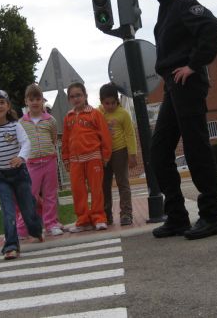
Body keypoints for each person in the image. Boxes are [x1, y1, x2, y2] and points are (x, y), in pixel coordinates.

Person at [145, 0, 217, 240]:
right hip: (173, 87)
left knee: (196, 148)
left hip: (188, 84)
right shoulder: (165, 10)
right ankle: (177, 216)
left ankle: (212, 217)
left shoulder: (182, 4)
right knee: (159, 151)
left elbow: (212, 27)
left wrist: (193, 64)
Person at [0, 89, 43, 260]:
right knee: (8, 211)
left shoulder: (16, 126)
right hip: (1, 177)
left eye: (2, 102)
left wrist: (21, 157)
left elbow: (26, 143)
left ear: (8, 106)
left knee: (28, 210)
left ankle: (36, 230)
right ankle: (11, 246)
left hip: (20, 173)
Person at [62, 82, 112, 232]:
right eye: (72, 96)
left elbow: (105, 135)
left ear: (85, 96)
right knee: (78, 191)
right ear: (69, 100)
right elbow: (65, 140)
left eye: (79, 95)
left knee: (96, 189)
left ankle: (99, 218)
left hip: (93, 157)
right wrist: (65, 158)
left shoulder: (95, 114)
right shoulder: (68, 117)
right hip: (75, 160)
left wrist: (106, 155)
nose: (76, 99)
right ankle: (83, 220)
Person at [16, 83, 64, 237]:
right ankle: (22, 227)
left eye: (38, 99)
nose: (35, 102)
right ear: (26, 101)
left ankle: (51, 223)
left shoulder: (50, 120)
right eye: (31, 99)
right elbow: (20, 143)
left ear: (42, 101)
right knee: (30, 196)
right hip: (31, 165)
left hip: (49, 162)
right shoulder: (21, 123)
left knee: (50, 194)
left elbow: (53, 138)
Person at [98, 83, 137, 226]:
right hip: (104, 153)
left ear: (117, 100)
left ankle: (126, 214)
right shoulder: (98, 113)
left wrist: (132, 154)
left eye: (113, 102)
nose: (110, 106)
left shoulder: (123, 114)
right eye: (106, 103)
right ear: (101, 101)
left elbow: (130, 134)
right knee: (104, 184)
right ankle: (106, 215)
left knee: (123, 183)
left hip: (120, 151)